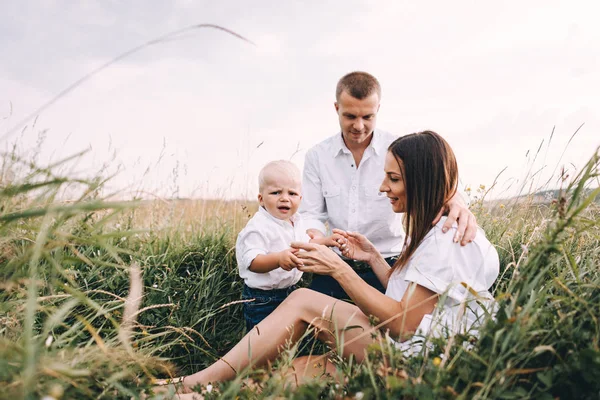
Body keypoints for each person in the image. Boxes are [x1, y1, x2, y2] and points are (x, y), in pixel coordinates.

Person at [155, 131, 499, 395]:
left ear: (421, 181)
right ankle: (206, 393)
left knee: (304, 301)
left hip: (420, 364)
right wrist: (373, 257)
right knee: (299, 372)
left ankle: (189, 384)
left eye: (393, 178)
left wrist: (340, 269)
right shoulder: (435, 228)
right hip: (410, 352)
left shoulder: (447, 238)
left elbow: (404, 324)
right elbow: (418, 299)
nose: (383, 187)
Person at [300, 71, 478, 300]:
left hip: (390, 263)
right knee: (312, 316)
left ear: (378, 110)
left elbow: (433, 183)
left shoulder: (398, 149)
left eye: (367, 117)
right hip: (336, 262)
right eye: (350, 116)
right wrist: (317, 238)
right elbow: (311, 213)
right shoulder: (317, 156)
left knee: (388, 323)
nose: (359, 125)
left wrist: (455, 200)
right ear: (336, 109)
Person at [236, 160, 310, 330]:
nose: (284, 198)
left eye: (292, 193)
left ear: (300, 198)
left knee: (287, 336)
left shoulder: (295, 221)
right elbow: (253, 262)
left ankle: (288, 356)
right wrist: (278, 259)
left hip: (290, 291)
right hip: (263, 299)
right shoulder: (258, 227)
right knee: (262, 340)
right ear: (261, 199)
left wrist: (326, 241)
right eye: (276, 192)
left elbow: (305, 243)